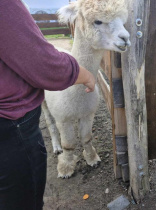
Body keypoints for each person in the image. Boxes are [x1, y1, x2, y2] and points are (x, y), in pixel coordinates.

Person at [0, 1, 96, 209]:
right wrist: (84, 74)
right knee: (23, 199)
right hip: (10, 120)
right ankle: (65, 154)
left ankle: (88, 151)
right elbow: (41, 63)